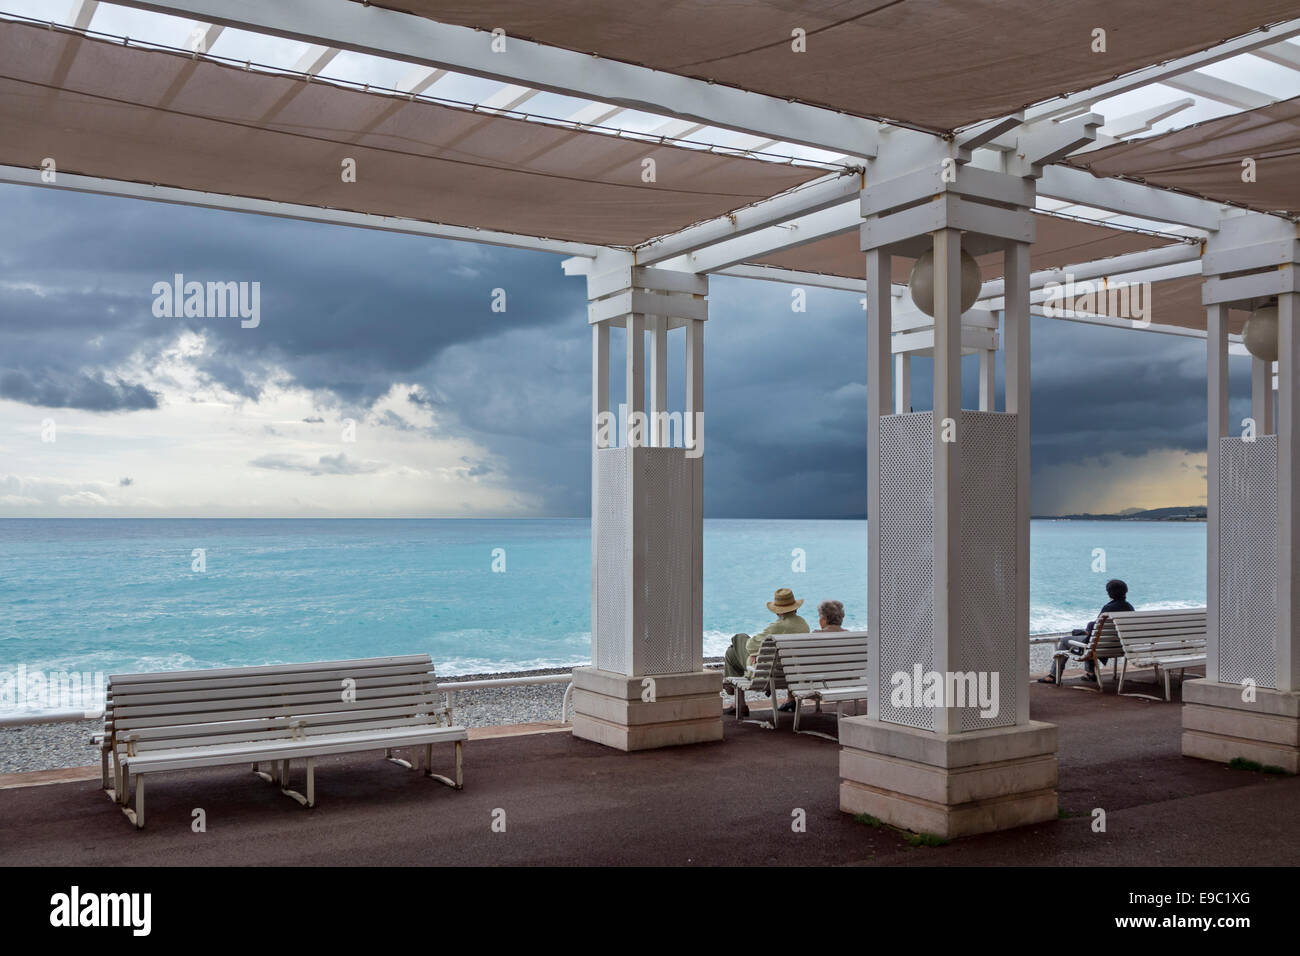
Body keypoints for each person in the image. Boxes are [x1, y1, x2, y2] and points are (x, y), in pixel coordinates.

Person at [723, 588, 810, 716]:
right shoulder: (804, 625)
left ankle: (738, 702)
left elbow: (750, 646)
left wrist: (756, 654)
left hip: (765, 674)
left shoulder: (777, 627)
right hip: (792, 675)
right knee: (732, 652)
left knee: (737, 642)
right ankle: (790, 699)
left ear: (778, 612)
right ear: (795, 608)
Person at [1039, 579, 1134, 684]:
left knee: (1066, 640)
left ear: (1109, 593)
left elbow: (1098, 628)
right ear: (1125, 592)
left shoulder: (1108, 608)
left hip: (1101, 646)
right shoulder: (1129, 608)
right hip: (1120, 647)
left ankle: (1053, 675)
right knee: (1090, 637)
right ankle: (1090, 673)